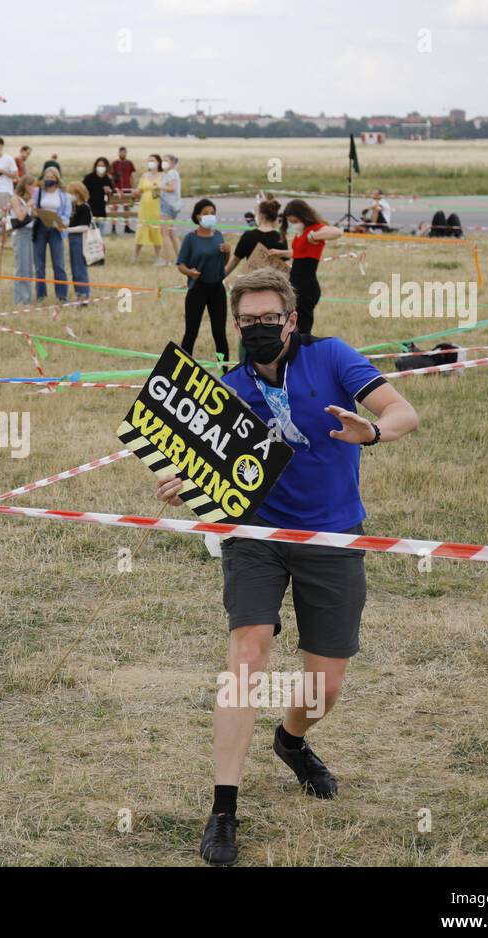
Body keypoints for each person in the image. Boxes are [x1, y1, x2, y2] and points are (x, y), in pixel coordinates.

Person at [155, 267, 421, 866]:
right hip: (255, 535)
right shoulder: (225, 387)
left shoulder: (332, 358)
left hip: (332, 535)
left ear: (292, 320)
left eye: (268, 320)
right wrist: (185, 474)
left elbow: (405, 412)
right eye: (246, 321)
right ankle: (224, 809)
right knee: (247, 657)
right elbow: (211, 463)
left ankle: (292, 740)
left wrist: (372, 431)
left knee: (324, 686)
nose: (257, 329)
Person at [176, 199, 232, 362]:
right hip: (197, 289)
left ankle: (224, 371)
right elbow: (180, 264)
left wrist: (228, 252)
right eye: (206, 213)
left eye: (212, 213)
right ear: (197, 216)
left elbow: (223, 263)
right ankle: (183, 370)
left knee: (219, 334)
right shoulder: (190, 239)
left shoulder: (219, 235)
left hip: (217, 289)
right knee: (191, 332)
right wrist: (189, 272)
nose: (210, 216)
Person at [279, 199, 342, 335]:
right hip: (295, 285)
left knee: (302, 329)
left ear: (303, 216)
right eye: (291, 222)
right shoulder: (302, 231)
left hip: (306, 288)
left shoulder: (315, 229)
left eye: (295, 221)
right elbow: (300, 253)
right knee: (292, 326)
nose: (294, 225)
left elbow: (337, 232)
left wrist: (315, 235)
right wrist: (280, 253)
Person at [31, 168, 72, 303]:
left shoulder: (64, 195)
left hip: (56, 230)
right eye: (46, 176)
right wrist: (36, 213)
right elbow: (33, 209)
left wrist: (60, 224)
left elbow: (66, 215)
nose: (49, 179)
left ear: (57, 179)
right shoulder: (38, 192)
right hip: (41, 228)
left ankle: (62, 296)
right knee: (39, 265)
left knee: (59, 264)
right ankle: (41, 296)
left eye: (52, 176)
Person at [225, 197, 288, 278]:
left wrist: (220, 278)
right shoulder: (281, 237)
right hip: (274, 284)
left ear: (261, 215)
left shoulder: (248, 236)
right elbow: (285, 265)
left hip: (253, 283)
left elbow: (235, 260)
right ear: (275, 217)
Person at [9, 175, 36, 305]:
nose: (34, 188)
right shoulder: (16, 199)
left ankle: (27, 298)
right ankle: (20, 300)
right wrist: (28, 206)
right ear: (26, 186)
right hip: (21, 235)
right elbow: (20, 217)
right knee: (21, 269)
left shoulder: (28, 200)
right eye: (32, 185)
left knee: (29, 269)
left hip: (30, 234)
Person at [65, 182, 93, 303]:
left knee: (80, 268)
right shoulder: (73, 207)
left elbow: (85, 227)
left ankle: (84, 294)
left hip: (80, 239)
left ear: (78, 193)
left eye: (71, 193)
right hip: (72, 239)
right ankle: (79, 293)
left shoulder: (85, 208)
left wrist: (68, 230)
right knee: (74, 269)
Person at [134, 154, 164, 263]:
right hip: (144, 207)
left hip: (156, 207)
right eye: (149, 161)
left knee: (156, 231)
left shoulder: (163, 176)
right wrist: (135, 193)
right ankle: (136, 256)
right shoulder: (144, 176)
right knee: (141, 230)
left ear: (158, 162)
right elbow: (139, 190)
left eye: (152, 160)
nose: (150, 162)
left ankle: (158, 257)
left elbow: (163, 192)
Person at [159, 154, 182, 263]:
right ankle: (181, 258)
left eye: (166, 160)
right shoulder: (171, 173)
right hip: (171, 206)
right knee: (172, 233)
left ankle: (167, 260)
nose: (163, 162)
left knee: (165, 233)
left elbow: (172, 188)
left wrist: (159, 186)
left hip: (167, 206)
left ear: (172, 162)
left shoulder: (172, 173)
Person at [110, 146, 136, 235]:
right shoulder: (114, 163)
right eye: (121, 152)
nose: (123, 154)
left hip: (127, 188)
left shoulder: (129, 163)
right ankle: (113, 227)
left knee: (127, 207)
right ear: (119, 153)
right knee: (114, 208)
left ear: (126, 153)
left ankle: (127, 227)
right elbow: (110, 176)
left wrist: (133, 188)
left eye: (124, 152)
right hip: (117, 189)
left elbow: (131, 176)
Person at [82, 157, 113, 231]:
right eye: (99, 165)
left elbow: (111, 193)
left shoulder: (107, 179)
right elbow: (82, 190)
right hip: (89, 210)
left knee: (100, 234)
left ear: (106, 167)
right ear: (95, 166)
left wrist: (109, 191)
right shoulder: (89, 178)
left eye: (103, 166)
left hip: (101, 211)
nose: (100, 167)